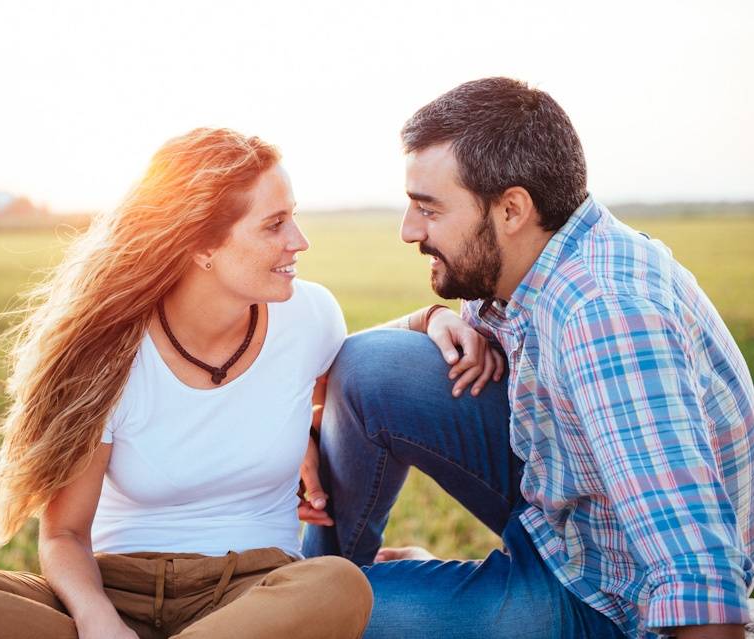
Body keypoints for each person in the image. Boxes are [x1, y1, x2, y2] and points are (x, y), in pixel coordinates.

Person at [300, 78, 754, 639]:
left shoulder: (604, 315)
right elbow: (341, 374)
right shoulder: (531, 262)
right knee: (371, 366)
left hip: (608, 601)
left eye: (428, 209)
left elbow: (699, 573)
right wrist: (429, 319)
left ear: (512, 208)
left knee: (309, 622)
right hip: (567, 521)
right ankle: (307, 578)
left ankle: (319, 600)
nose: (408, 230)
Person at [0, 128, 372, 639]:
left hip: (251, 596)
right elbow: (65, 533)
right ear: (201, 244)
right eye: (275, 224)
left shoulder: (308, 315)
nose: (299, 240)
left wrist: (427, 321)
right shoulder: (108, 353)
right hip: (118, 591)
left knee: (337, 586)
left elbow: (340, 392)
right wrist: (99, 622)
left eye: (293, 216)